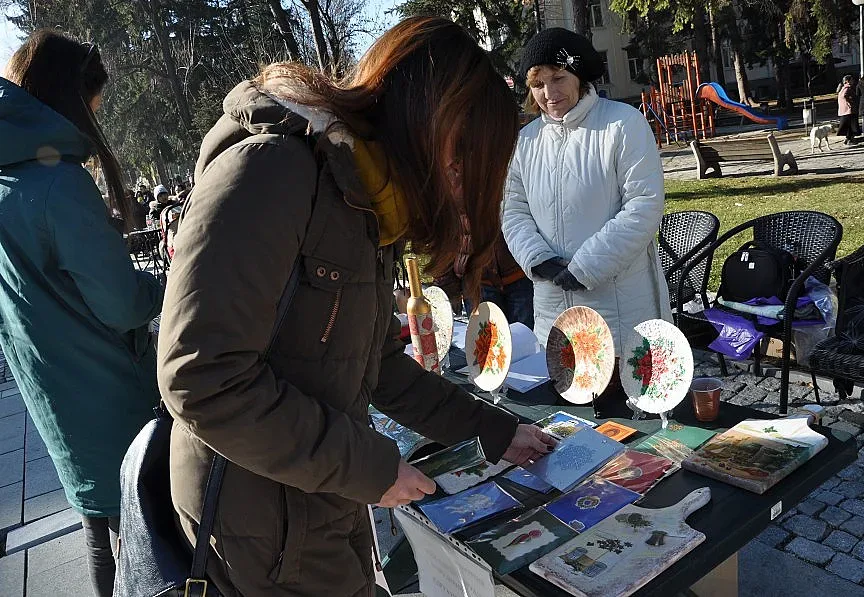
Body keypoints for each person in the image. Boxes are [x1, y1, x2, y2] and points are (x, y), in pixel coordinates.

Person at [156, 17, 556, 596]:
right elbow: (201, 376)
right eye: (461, 161)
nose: (459, 184)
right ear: (428, 121)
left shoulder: (366, 198)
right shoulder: (273, 172)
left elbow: (379, 367)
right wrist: (369, 467)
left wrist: (492, 430)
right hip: (257, 527)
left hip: (316, 497)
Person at [0, 30, 164, 597]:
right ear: (72, 100)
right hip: (106, 392)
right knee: (150, 538)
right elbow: (120, 302)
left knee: (99, 531)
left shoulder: (8, 178)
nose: (95, 122)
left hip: (55, 397)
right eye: (93, 109)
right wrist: (167, 285)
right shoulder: (58, 183)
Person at [502, 28, 670, 360]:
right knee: (567, 399)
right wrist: (538, 259)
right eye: (537, 84)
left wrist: (585, 267)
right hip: (554, 313)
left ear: (578, 76)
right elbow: (513, 209)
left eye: (558, 78)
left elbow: (644, 206)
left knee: (626, 403)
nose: (549, 93)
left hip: (620, 311)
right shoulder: (527, 141)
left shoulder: (622, 124)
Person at [436, 238, 535, 328]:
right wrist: (448, 287)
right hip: (475, 283)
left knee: (525, 340)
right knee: (484, 342)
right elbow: (442, 239)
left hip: (519, 276)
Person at [837, 74, 857, 144]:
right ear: (847, 81)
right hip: (848, 110)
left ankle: (848, 138)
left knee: (848, 126)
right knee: (851, 126)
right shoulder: (848, 88)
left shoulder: (842, 88)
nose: (853, 81)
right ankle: (850, 139)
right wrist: (849, 101)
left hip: (843, 110)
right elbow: (844, 96)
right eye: (852, 80)